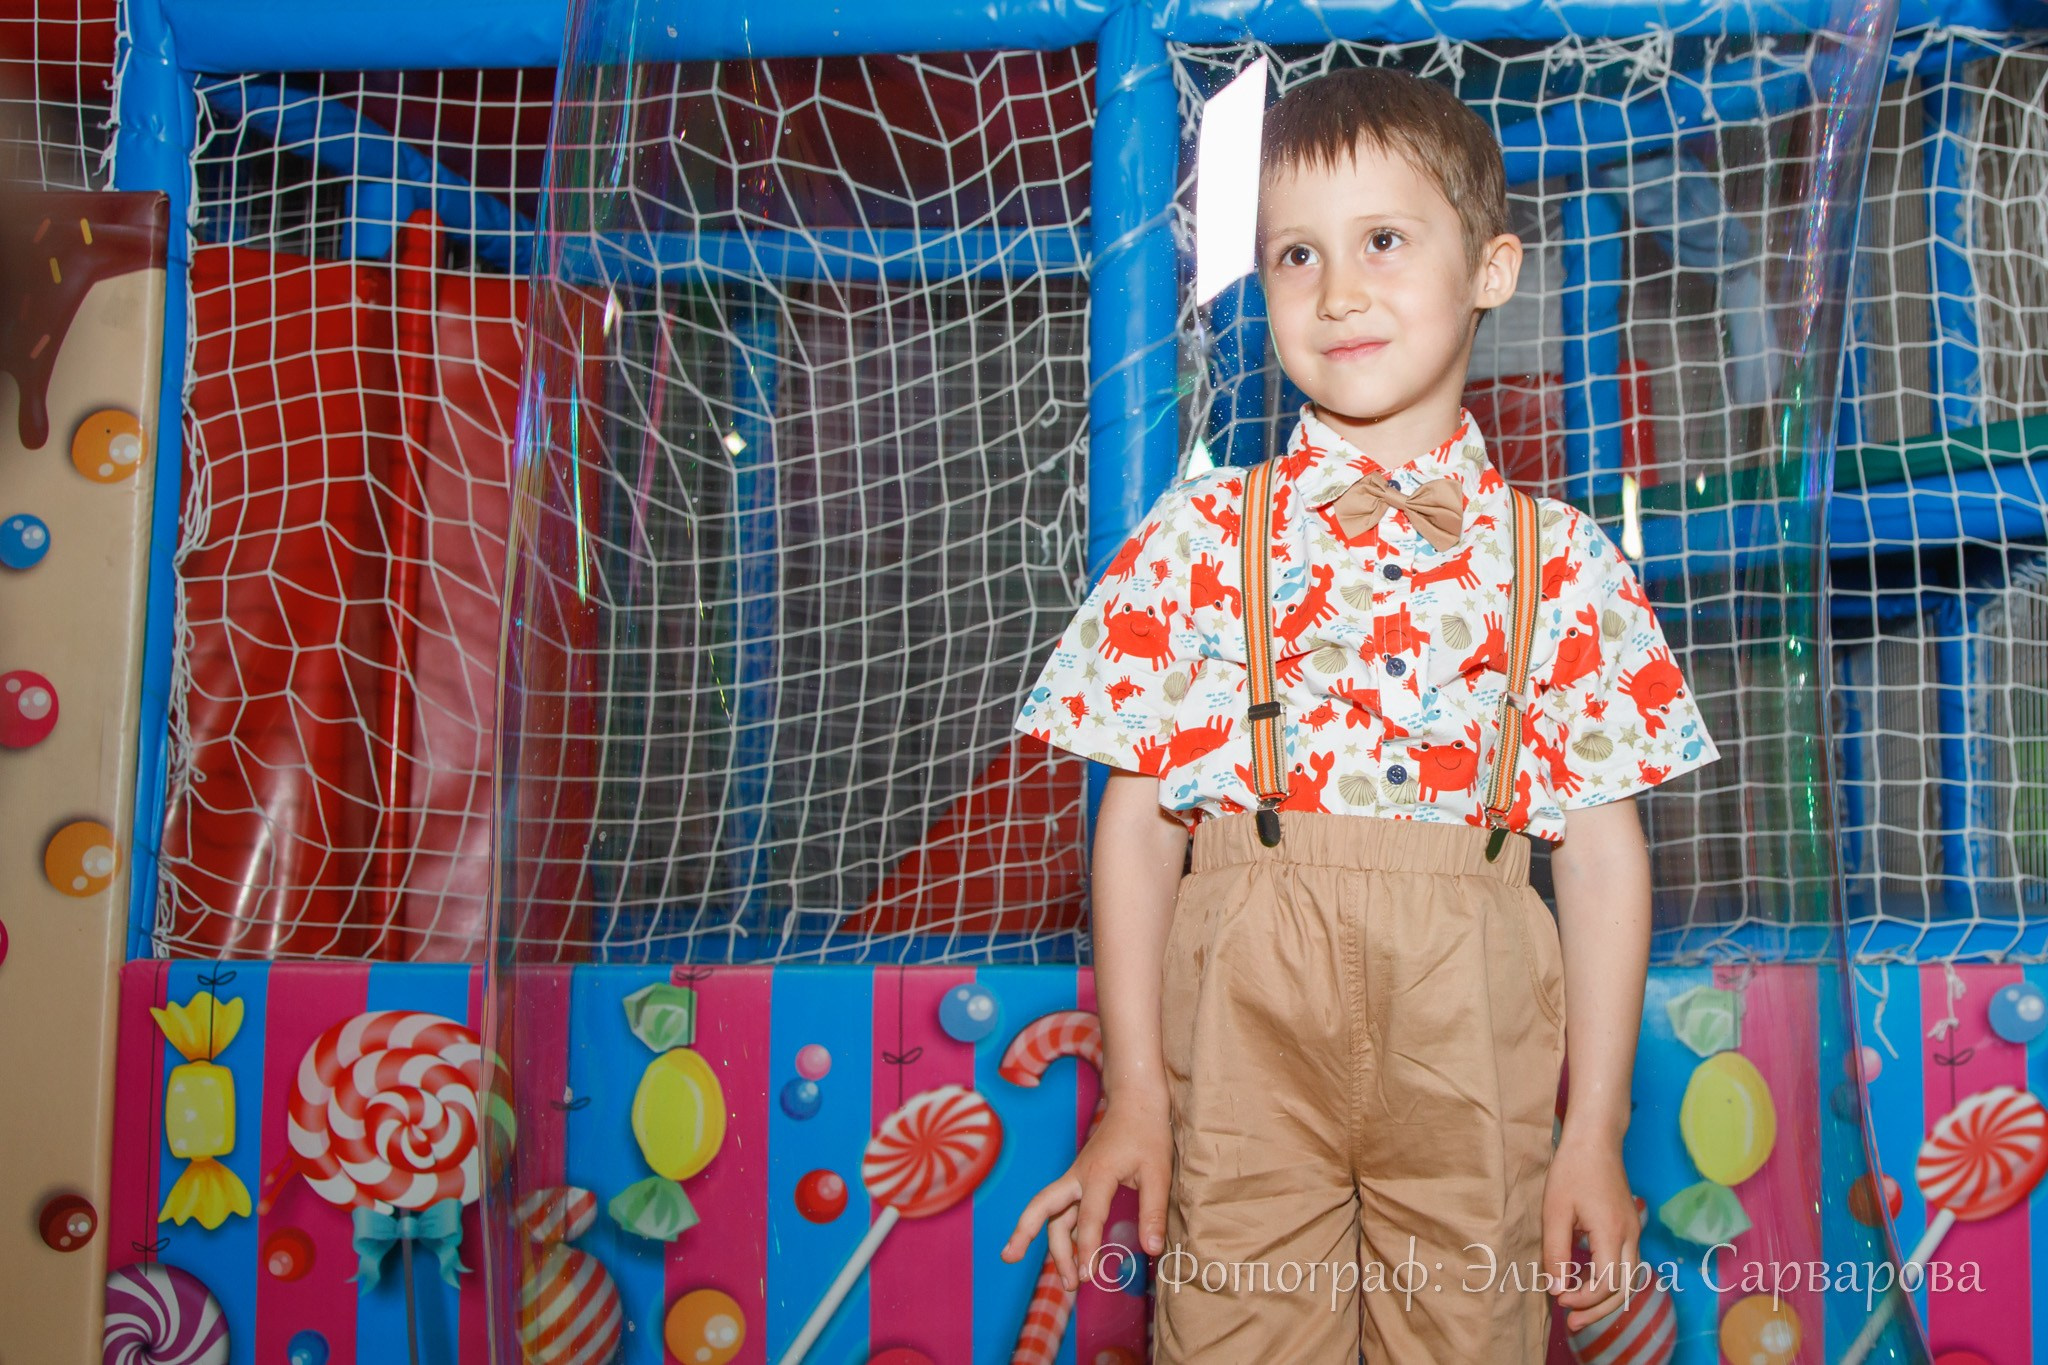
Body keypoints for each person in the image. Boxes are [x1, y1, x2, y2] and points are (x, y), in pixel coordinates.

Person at [1000, 65, 1721, 1362]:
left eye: (1384, 240)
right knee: (1227, 1329)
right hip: (1246, 1006)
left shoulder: (1558, 559)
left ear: (1491, 270)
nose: (1337, 291)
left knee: (1466, 1332)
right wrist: (1138, 1093)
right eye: (1295, 254)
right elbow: (1138, 822)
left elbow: (1607, 856)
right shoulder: (1208, 535)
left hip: (1472, 1005)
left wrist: (1597, 1127)